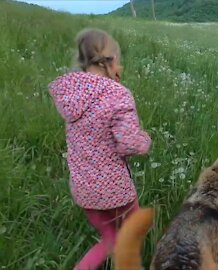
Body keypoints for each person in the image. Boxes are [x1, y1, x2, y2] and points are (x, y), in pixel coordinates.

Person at [48, 28, 151, 270]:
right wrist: (145, 139)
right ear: (112, 60)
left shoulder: (72, 93)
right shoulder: (117, 95)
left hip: (83, 188)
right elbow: (128, 143)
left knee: (110, 239)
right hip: (115, 189)